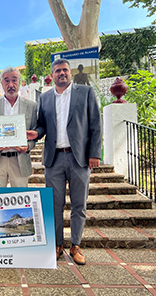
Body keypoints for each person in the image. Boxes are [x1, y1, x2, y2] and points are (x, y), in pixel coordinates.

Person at [27, 58, 101, 265]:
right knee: (54, 204)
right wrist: (36, 133)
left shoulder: (85, 93)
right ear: (52, 75)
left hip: (79, 158)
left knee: (79, 204)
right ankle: (58, 244)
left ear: (70, 73)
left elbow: (96, 124)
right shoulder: (46, 97)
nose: (62, 73)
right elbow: (42, 125)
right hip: (54, 158)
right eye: (58, 70)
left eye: (65, 70)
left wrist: (94, 153)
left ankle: (75, 245)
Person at [0, 66, 38, 187]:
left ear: (20, 82)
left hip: (20, 159)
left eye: (14, 80)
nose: (11, 84)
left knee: (20, 199)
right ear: (1, 83)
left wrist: (27, 146)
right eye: (7, 81)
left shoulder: (31, 106)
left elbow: (34, 134)